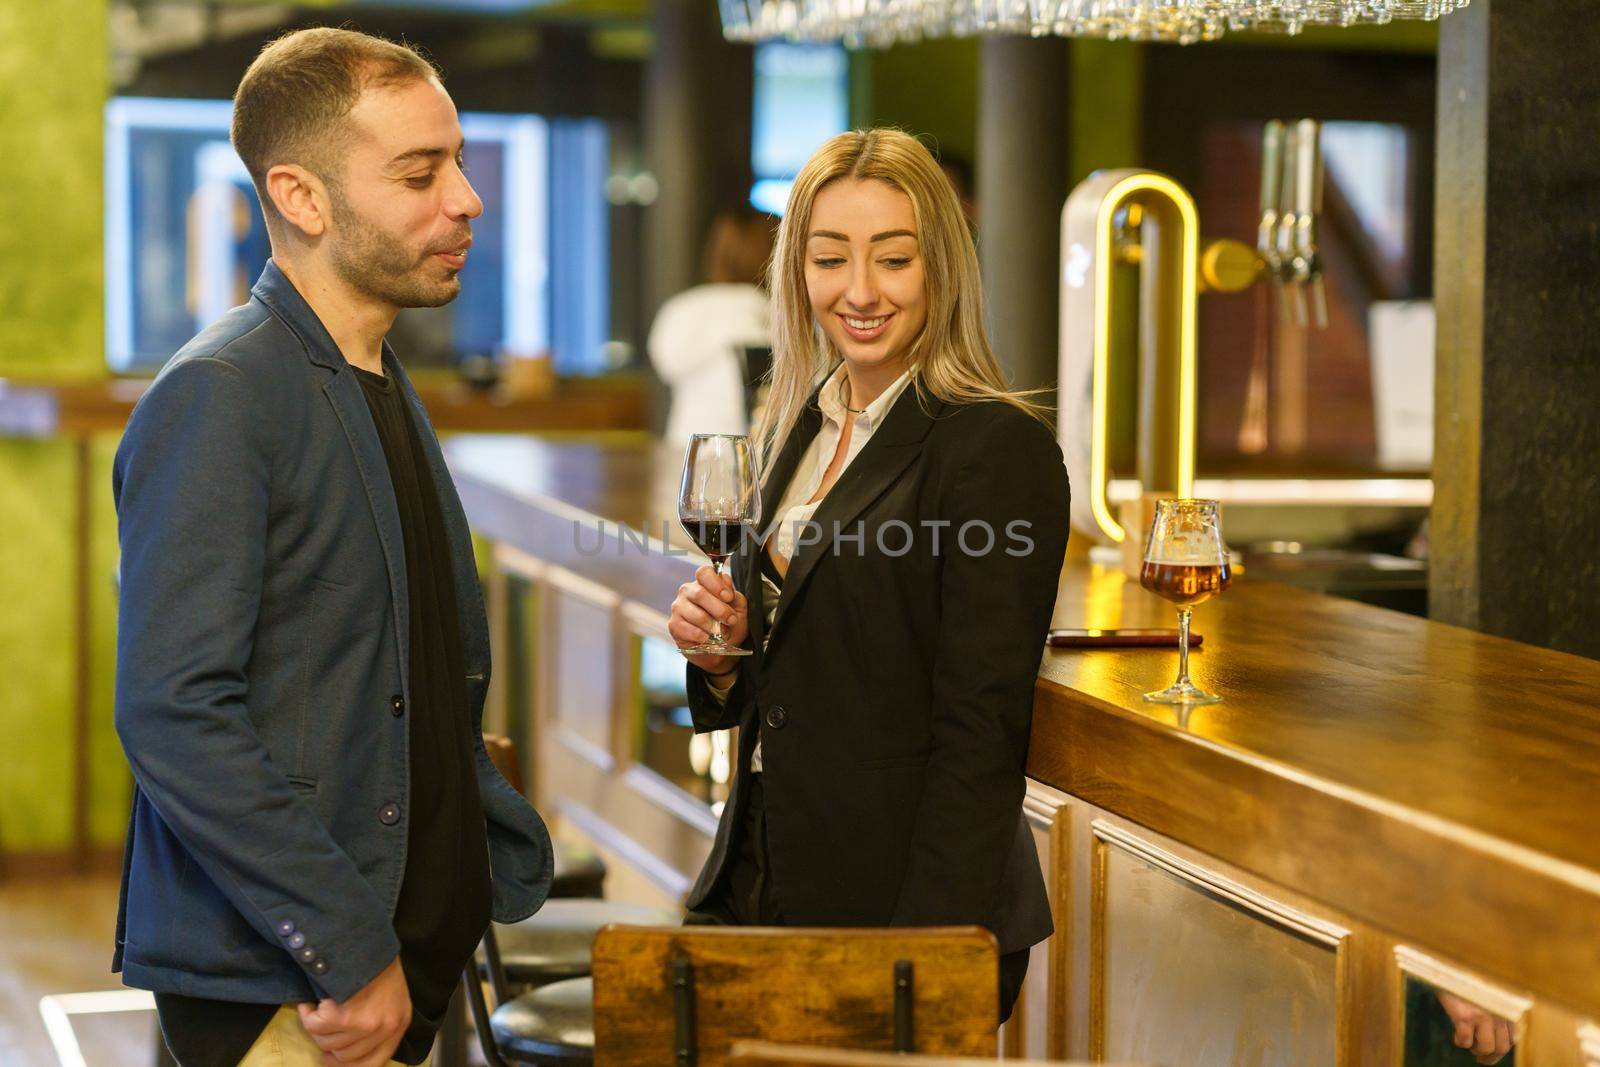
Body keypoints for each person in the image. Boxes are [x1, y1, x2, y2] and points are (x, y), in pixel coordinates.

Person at [111, 28, 553, 1067]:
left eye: (456, 161)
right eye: (419, 172)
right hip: (299, 991)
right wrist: (348, 948)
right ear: (301, 198)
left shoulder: (376, 376)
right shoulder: (222, 391)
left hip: (394, 960)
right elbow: (174, 711)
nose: (466, 199)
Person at [666, 128, 1070, 1025]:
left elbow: (982, 727)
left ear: (942, 269)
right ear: (794, 271)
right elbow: (808, 655)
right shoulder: (796, 423)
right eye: (828, 257)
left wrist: (920, 953)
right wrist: (725, 654)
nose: (859, 291)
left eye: (893, 258)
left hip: (905, 904)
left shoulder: (995, 448)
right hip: (763, 869)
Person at [649, 207, 775, 448]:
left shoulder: (680, 310)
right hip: (750, 456)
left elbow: (665, 365)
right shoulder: (772, 315)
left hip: (685, 452)